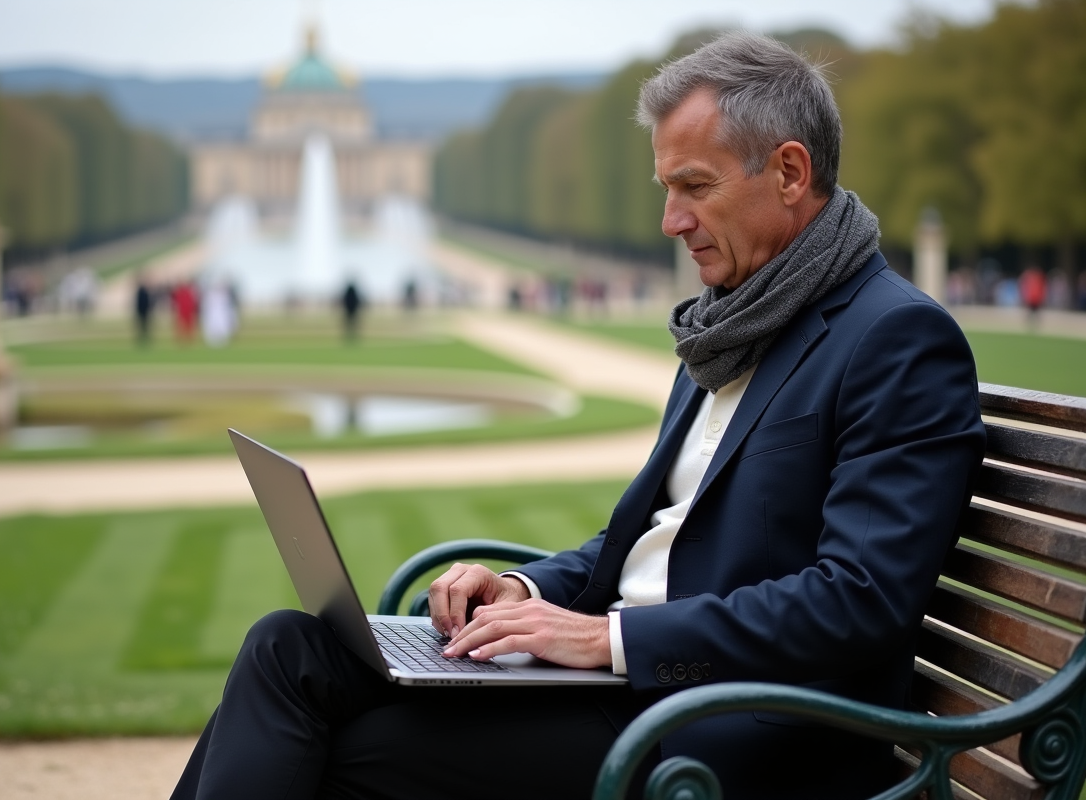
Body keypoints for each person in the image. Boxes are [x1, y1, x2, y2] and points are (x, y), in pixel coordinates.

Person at [170, 32, 985, 800]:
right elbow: (652, 542)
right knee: (289, 648)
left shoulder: (894, 338)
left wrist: (611, 641)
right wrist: (524, 587)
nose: (671, 221)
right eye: (666, 189)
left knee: (329, 753)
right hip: (628, 684)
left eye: (694, 187)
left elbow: (861, 599)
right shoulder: (736, 321)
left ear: (790, 171)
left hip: (714, 724)